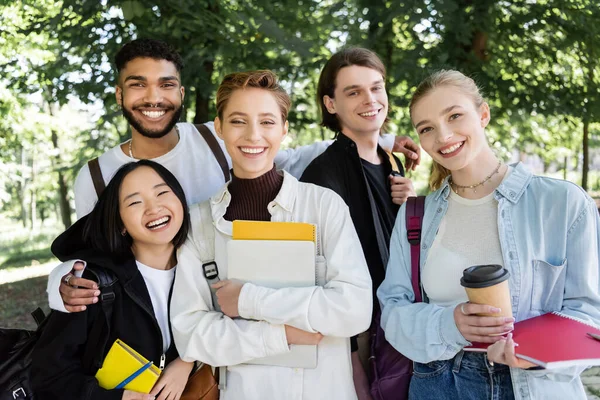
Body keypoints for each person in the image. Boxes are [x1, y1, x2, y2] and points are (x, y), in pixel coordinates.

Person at [48, 38, 420, 313]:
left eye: (164, 84)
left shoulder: (216, 138)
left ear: (180, 92)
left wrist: (382, 139)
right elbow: (80, 262)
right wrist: (60, 289)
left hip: (231, 301)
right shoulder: (97, 176)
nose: (153, 97)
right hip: (149, 314)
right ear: (118, 95)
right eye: (137, 85)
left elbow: (287, 151)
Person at [377, 69, 600, 399]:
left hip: (533, 388)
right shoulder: (415, 216)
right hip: (437, 384)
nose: (443, 135)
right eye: (426, 128)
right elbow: (393, 309)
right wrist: (449, 324)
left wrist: (533, 353)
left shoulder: (562, 203)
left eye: (454, 115)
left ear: (483, 114)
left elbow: (589, 313)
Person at [170, 70, 372, 400]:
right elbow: (191, 333)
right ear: (219, 128)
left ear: (284, 129)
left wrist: (248, 299)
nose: (253, 135)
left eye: (266, 122)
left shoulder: (323, 206)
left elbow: (354, 310)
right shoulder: (199, 222)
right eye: (238, 121)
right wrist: (283, 334)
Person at [301, 47, 417, 398]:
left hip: (400, 323)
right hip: (360, 336)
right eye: (353, 91)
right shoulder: (322, 175)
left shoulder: (390, 162)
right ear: (331, 104)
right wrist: (353, 366)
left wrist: (409, 209)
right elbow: (317, 277)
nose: (370, 99)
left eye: (376, 87)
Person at [31, 160, 194, 400]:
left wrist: (188, 360)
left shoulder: (203, 269)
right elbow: (48, 376)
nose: (153, 207)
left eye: (161, 192)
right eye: (135, 202)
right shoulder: (91, 285)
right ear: (121, 224)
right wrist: (119, 398)